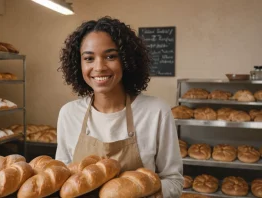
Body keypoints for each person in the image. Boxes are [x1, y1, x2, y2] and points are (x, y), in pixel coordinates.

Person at [56, 16, 183, 197]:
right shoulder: (69, 114)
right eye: (89, 58)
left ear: (126, 60)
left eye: (110, 56)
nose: (99, 67)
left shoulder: (156, 112)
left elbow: (174, 181)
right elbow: (61, 181)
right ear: (79, 64)